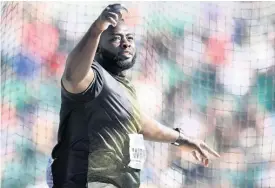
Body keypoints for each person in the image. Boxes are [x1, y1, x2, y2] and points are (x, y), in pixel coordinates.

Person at [47, 4, 220, 188]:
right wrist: (97, 29)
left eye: (129, 38)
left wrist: (180, 139)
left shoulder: (121, 85)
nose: (126, 43)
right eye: (115, 38)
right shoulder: (92, 78)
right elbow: (72, 75)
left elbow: (139, 122)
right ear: (97, 49)